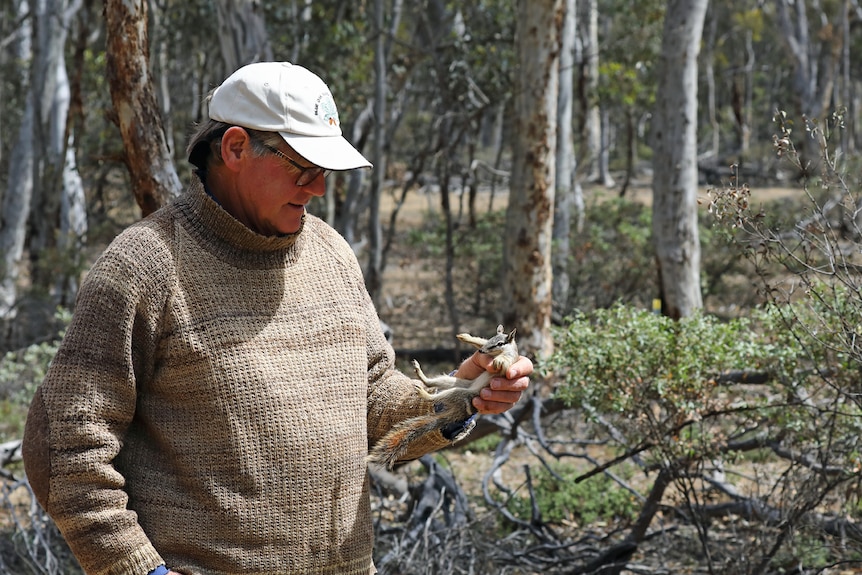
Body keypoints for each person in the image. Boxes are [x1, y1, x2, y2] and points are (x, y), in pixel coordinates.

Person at [22, 61, 532, 575]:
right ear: (236, 148)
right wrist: (138, 569)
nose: (317, 188)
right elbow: (65, 450)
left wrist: (459, 394)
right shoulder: (144, 267)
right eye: (302, 167)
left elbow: (374, 405)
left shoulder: (331, 254)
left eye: (326, 171)